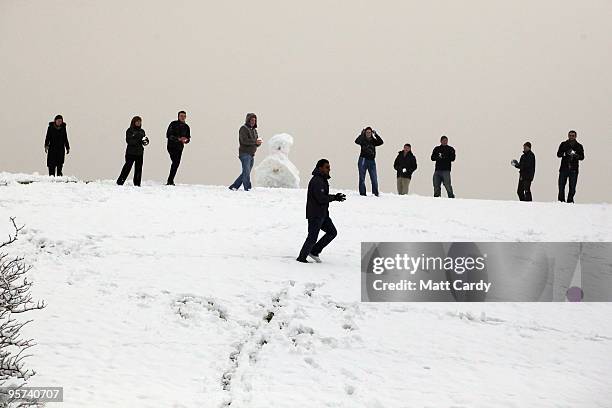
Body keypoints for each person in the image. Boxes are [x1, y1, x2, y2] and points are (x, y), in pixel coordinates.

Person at [297, 159, 346, 263]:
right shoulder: (317, 180)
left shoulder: (323, 180)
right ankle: (301, 258)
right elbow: (321, 198)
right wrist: (335, 197)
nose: (329, 169)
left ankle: (314, 251)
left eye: (329, 167)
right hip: (315, 215)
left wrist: (335, 197)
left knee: (332, 232)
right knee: (312, 238)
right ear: (320, 168)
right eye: (327, 167)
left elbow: (323, 197)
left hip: (323, 215)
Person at [229, 113, 262, 191]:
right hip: (244, 154)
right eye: (251, 120)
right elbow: (244, 141)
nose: (253, 121)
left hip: (251, 155)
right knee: (246, 172)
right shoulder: (243, 129)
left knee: (245, 172)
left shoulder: (254, 130)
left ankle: (234, 186)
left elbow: (255, 143)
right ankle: (248, 188)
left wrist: (258, 143)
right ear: (248, 120)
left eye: (254, 120)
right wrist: (255, 142)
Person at [117, 116, 149, 187]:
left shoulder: (142, 131)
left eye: (140, 121)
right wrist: (138, 140)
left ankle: (137, 184)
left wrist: (146, 141)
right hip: (130, 153)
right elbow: (129, 141)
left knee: (138, 169)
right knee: (127, 168)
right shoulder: (130, 130)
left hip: (140, 153)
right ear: (133, 122)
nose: (139, 123)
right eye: (137, 121)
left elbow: (145, 142)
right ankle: (120, 182)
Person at [557, 130, 585, 203]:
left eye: (573, 135)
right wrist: (565, 153)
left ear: (575, 136)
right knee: (561, 186)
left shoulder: (579, 146)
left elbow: (582, 157)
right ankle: (561, 201)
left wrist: (575, 155)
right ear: (568, 135)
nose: (571, 137)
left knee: (572, 187)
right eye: (570, 135)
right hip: (564, 168)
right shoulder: (563, 144)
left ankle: (570, 200)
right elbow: (558, 154)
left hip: (574, 169)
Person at [355, 127, 384, 196]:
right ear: (365, 133)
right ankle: (362, 193)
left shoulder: (373, 141)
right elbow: (357, 141)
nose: (368, 134)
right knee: (362, 178)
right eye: (367, 132)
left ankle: (375, 193)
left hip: (371, 161)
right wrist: (361, 134)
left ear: (371, 133)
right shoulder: (362, 140)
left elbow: (381, 142)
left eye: (370, 132)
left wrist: (376, 134)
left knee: (374, 178)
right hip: (363, 160)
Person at [166, 111, 191, 185]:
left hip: (180, 148)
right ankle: (170, 180)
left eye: (184, 116)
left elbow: (188, 137)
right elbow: (168, 135)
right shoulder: (173, 124)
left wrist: (186, 140)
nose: (182, 117)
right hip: (171, 146)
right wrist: (178, 139)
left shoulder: (186, 127)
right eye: (181, 116)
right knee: (175, 162)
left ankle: (170, 180)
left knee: (176, 163)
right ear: (178, 116)